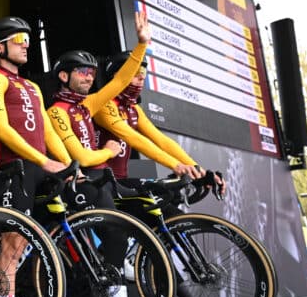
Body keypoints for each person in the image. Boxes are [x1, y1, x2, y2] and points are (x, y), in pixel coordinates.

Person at [45, 13, 168, 297]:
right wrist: (108, 150)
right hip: (72, 185)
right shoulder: (56, 111)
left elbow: (119, 82)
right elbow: (80, 158)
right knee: (104, 244)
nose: (89, 77)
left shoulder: (87, 105)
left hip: (96, 182)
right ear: (63, 76)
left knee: (115, 241)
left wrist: (142, 46)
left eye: (92, 72)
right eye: (82, 72)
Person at [0, 15, 75, 297]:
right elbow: (2, 129)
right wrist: (42, 159)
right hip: (16, 169)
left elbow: (47, 130)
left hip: (42, 167)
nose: (25, 45)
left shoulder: (33, 86)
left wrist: (66, 161)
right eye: (18, 40)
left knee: (46, 245)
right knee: (13, 245)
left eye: (27, 40)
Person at [93, 52, 223, 195]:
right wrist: (175, 165)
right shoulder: (103, 104)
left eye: (143, 72)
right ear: (117, 75)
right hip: (99, 180)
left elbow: (161, 140)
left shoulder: (134, 109)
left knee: (166, 203)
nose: (141, 77)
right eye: (135, 72)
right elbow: (134, 139)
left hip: (122, 179)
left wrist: (198, 169)